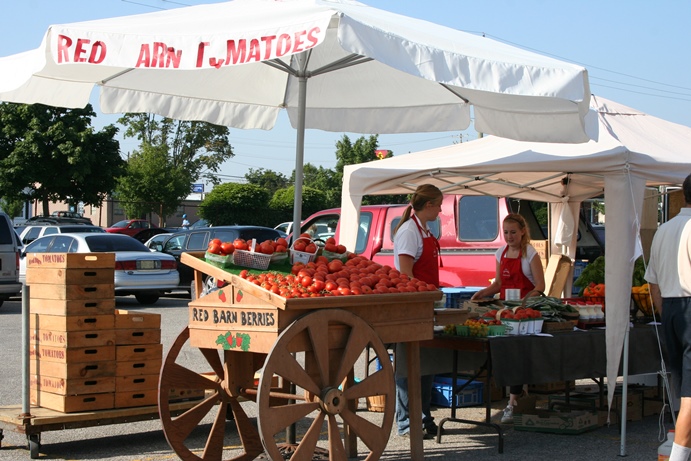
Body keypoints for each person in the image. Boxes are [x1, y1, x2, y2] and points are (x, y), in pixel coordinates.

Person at [470, 213, 545, 423]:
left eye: (513, 232)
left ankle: (512, 401)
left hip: (522, 314)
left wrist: (525, 302)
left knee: (516, 355)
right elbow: (498, 285)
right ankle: (513, 396)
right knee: (503, 352)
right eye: (505, 233)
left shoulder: (529, 253)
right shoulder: (500, 253)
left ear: (522, 232)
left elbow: (540, 285)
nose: (509, 236)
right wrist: (482, 293)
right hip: (504, 311)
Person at [645, 173, 691, 461]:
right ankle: (677, 457)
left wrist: (665, 311)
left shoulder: (665, 228)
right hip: (686, 306)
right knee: (689, 395)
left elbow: (652, 281)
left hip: (671, 309)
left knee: (681, 389)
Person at [392, 184, 443, 438]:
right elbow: (405, 274)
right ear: (430, 205)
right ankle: (405, 421)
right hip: (412, 307)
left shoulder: (423, 229)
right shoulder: (409, 231)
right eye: (439, 204)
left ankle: (422, 415)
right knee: (407, 366)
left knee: (426, 363)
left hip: (425, 304)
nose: (441, 209)